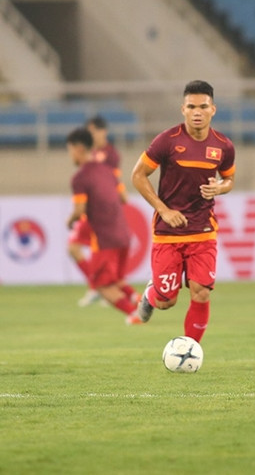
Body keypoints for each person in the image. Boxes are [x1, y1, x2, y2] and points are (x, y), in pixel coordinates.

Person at [131, 80, 236, 343]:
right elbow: (138, 175)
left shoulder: (224, 146)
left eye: (203, 107)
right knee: (166, 301)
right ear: (183, 109)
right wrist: (164, 210)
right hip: (168, 231)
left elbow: (229, 180)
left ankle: (191, 350)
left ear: (213, 109)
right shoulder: (167, 141)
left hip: (203, 230)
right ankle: (151, 294)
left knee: (201, 292)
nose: (197, 112)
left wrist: (220, 188)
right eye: (191, 107)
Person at [65, 127, 141, 324]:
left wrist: (70, 221)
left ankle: (135, 314)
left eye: (70, 150)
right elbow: (123, 197)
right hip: (123, 233)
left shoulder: (80, 178)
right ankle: (137, 299)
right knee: (116, 280)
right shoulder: (107, 170)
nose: (70, 155)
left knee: (102, 286)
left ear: (79, 148)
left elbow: (79, 211)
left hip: (104, 238)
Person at [68, 115, 128, 307]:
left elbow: (115, 186)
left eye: (94, 131)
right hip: (93, 211)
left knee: (79, 248)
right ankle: (99, 286)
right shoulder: (91, 153)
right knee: (74, 248)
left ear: (103, 132)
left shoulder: (110, 155)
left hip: (102, 213)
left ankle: (100, 287)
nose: (91, 134)